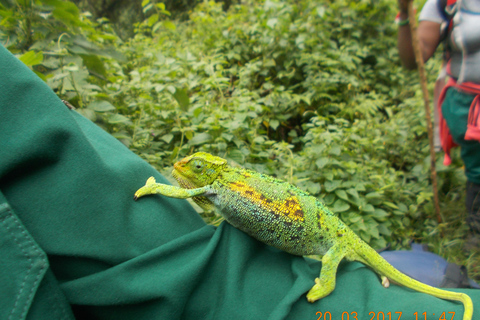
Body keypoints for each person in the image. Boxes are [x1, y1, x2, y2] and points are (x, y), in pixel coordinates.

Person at [1, 42, 479, 319]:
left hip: (329, 240)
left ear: (216, 168)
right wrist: (153, 187)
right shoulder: (215, 186)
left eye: (200, 166)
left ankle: (341, 276)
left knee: (343, 249)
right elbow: (184, 189)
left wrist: (327, 281)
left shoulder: (231, 182)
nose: (189, 171)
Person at [397, 0, 480, 249]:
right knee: (477, 168)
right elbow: (415, 57)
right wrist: (404, 14)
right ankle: (476, 230)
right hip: (468, 104)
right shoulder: (447, 3)